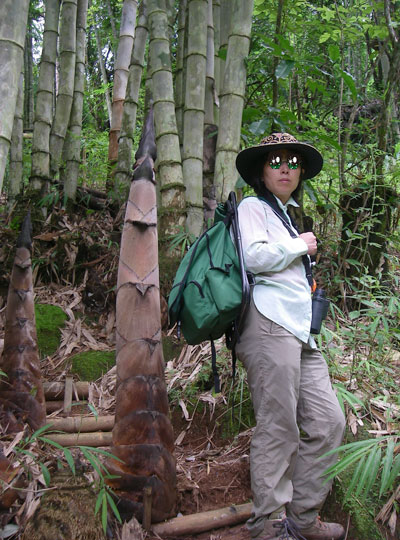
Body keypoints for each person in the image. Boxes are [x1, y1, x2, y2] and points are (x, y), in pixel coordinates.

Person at [234, 133, 346, 540]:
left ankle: (301, 520)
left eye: (293, 162)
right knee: (279, 426)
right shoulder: (252, 207)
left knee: (329, 422)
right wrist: (298, 245)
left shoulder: (285, 216)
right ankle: (267, 525)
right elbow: (252, 256)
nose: (286, 168)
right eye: (276, 161)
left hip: (300, 333)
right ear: (261, 172)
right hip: (268, 324)